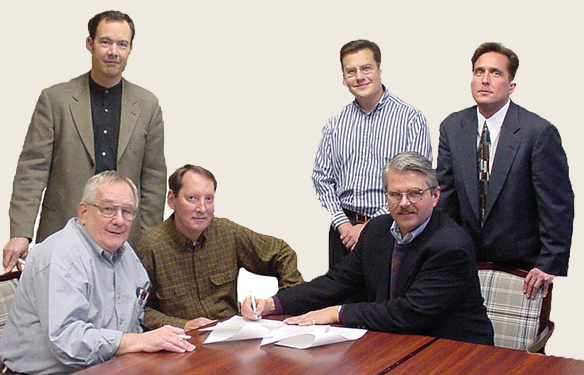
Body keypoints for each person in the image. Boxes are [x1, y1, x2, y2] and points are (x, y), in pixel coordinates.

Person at [242, 152, 493, 345]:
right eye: (395, 195)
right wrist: (273, 304)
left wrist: (339, 313)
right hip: (395, 342)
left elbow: (410, 312)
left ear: (435, 195)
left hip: (455, 350)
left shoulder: (451, 245)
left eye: (415, 194)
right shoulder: (377, 230)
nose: (404, 203)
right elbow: (336, 282)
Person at [3, 10, 167, 273]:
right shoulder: (55, 99)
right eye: (105, 42)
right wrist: (21, 232)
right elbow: (31, 171)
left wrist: (147, 242)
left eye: (121, 44)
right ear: (90, 43)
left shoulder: (147, 105)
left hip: (123, 239)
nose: (113, 51)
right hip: (62, 234)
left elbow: (154, 181)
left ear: (130, 49)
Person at [0, 172, 194, 375]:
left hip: (110, 368)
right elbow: (67, 342)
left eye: (127, 211)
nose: (119, 220)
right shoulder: (60, 257)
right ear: (83, 212)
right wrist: (139, 341)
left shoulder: (126, 255)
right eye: (108, 209)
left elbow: (135, 320)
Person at [436, 42, 574, 299]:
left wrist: (549, 262)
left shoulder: (538, 132)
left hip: (521, 265)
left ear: (511, 86)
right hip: (463, 261)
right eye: (479, 72)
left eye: (495, 73)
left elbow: (557, 204)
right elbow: (445, 198)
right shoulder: (453, 127)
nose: (485, 80)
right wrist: (442, 252)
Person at [136, 165, 304, 332]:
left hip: (230, 337)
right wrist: (182, 325)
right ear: (172, 199)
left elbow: (282, 253)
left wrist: (281, 303)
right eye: (192, 198)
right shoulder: (152, 248)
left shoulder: (226, 233)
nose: (202, 208)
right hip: (182, 343)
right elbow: (138, 310)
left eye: (208, 199)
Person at [312, 39, 432, 270]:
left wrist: (370, 226)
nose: (359, 77)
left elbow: (417, 181)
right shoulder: (335, 124)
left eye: (366, 68)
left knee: (383, 303)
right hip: (343, 234)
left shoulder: (410, 119)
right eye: (351, 71)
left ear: (379, 70)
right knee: (340, 303)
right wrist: (343, 224)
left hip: (393, 228)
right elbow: (321, 178)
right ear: (344, 78)